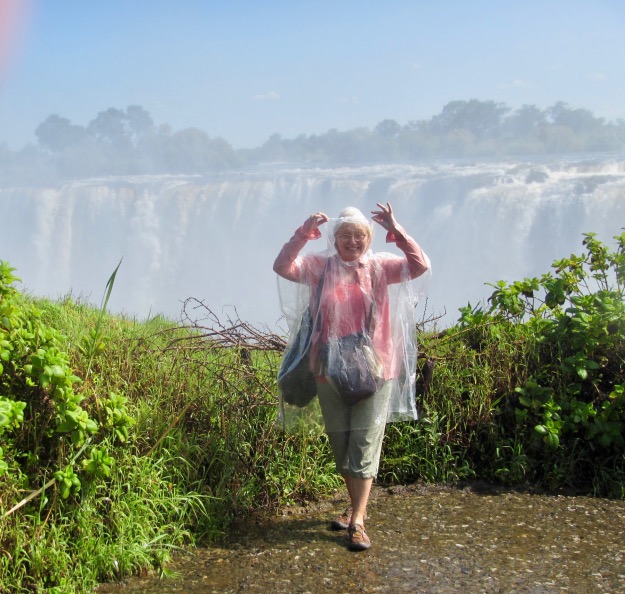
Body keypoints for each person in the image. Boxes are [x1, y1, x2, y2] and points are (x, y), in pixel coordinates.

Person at [273, 202, 431, 551]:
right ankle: (354, 507)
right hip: (328, 371)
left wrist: (397, 229)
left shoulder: (379, 266)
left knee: (364, 443)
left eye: (359, 235)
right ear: (335, 238)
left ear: (369, 238)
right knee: (341, 443)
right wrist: (302, 234)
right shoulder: (319, 266)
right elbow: (282, 266)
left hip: (376, 370)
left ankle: (357, 521)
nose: (353, 241)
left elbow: (419, 266)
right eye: (345, 235)